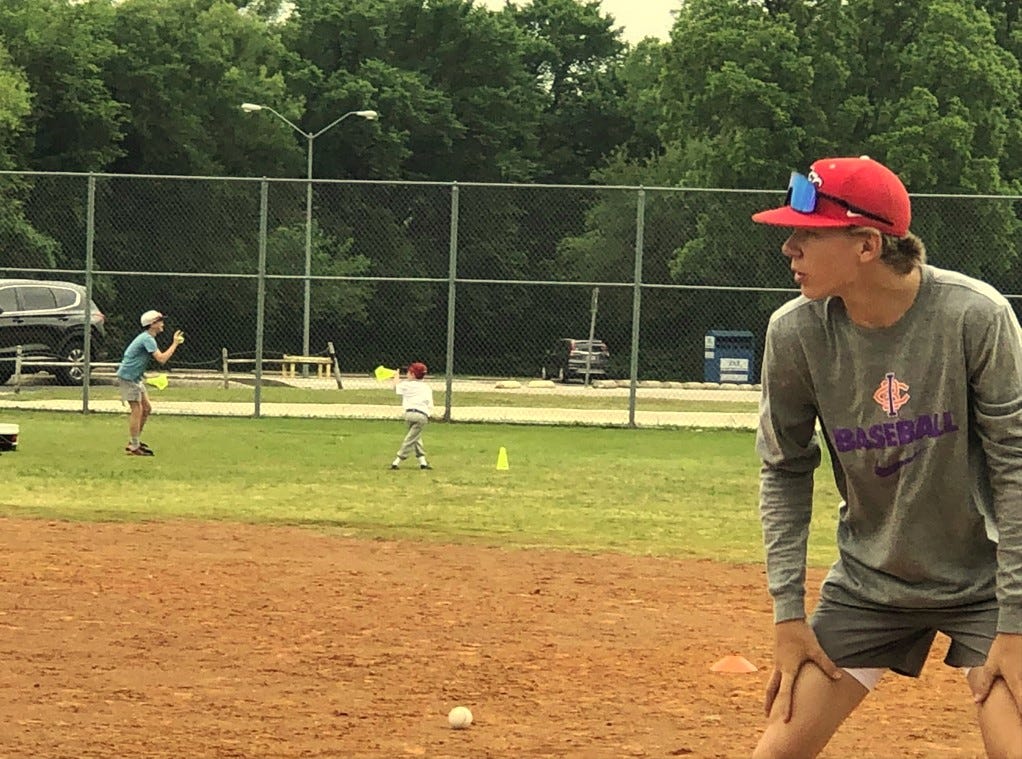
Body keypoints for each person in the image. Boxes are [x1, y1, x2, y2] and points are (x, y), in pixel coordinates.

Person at [749, 156, 1022, 758]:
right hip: (870, 585)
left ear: (867, 243)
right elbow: (784, 470)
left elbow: (1015, 469)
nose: (789, 248)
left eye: (808, 234)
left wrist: (1017, 623)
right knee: (775, 751)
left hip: (990, 585)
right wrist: (788, 616)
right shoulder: (794, 333)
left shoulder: (975, 316)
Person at [115, 310, 184, 456]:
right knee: (137, 409)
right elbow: (161, 359)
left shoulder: (148, 338)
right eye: (160, 321)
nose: (162, 324)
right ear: (152, 324)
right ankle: (134, 446)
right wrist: (175, 344)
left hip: (135, 377)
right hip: (128, 377)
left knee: (146, 409)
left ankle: (135, 442)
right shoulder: (147, 339)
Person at [390, 362, 433, 470]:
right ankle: (401, 461)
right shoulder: (426, 387)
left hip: (409, 415)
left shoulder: (406, 384)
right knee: (413, 438)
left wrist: (396, 376)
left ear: (413, 374)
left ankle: (417, 461)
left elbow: (395, 387)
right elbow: (429, 403)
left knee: (413, 438)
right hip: (421, 416)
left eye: (408, 372)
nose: (407, 374)